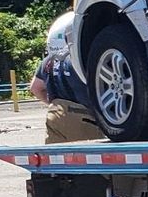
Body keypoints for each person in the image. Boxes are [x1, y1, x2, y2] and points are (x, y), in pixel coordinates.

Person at [32, 12, 103, 145]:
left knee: (57, 161)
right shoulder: (82, 60)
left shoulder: (48, 61)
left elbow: (35, 88)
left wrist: (54, 104)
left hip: (55, 116)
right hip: (85, 119)